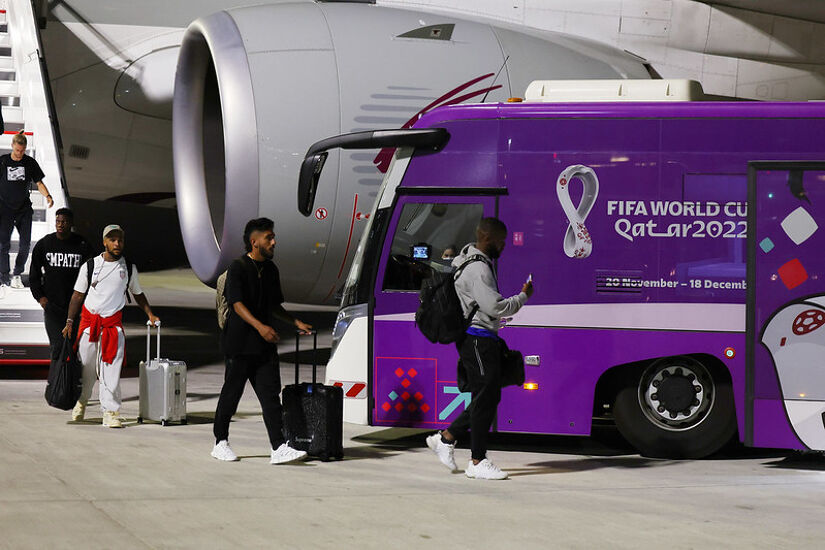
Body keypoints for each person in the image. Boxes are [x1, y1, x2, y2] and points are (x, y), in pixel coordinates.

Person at [426, 217, 533, 480]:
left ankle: (446, 439)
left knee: (488, 396)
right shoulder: (480, 269)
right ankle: (476, 460)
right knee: (487, 396)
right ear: (488, 239)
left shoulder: (467, 259)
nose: (503, 246)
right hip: (477, 339)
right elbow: (495, 307)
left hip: (479, 338)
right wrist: (523, 297)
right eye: (501, 241)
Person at [211, 217, 313, 464]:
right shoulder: (238, 267)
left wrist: (294, 321)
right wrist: (260, 327)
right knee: (231, 394)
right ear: (254, 242)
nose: (274, 241)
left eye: (273, 236)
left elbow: (274, 305)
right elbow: (237, 304)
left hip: (263, 346)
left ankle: (278, 447)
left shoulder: (270, 270)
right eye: (269, 237)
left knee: (270, 397)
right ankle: (220, 442)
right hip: (239, 344)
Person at [62, 224, 159, 427]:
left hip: (112, 327)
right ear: (104, 242)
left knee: (111, 371)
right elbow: (77, 295)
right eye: (112, 239)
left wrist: (150, 313)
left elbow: (138, 294)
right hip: (90, 325)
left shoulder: (129, 268)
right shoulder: (90, 266)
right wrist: (70, 321)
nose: (117, 243)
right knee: (86, 370)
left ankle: (111, 412)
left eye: (120, 240)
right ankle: (81, 401)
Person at [29, 208, 92, 361]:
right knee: (57, 347)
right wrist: (41, 298)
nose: (60, 224)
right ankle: (55, 383)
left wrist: (86, 303)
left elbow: (92, 275)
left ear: (71, 223)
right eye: (58, 221)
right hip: (53, 307)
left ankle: (72, 382)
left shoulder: (82, 245)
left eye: (64, 222)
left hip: (75, 306)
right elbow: (34, 274)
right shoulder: (45, 244)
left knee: (73, 347)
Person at [0, 131, 54, 288]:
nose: (19, 154)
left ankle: (17, 274)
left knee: (25, 244)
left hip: (23, 209)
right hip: (5, 209)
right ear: (12, 146)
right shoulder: (3, 162)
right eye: (17, 150)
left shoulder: (30, 163)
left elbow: (39, 183)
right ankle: (4, 277)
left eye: (22, 151)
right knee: (3, 245)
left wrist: (48, 196)